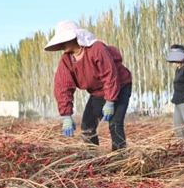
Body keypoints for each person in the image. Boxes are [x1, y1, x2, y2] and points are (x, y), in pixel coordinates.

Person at [44, 20, 133, 151]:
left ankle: (119, 157)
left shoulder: (96, 49)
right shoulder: (66, 60)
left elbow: (110, 74)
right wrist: (66, 115)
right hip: (97, 92)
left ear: (74, 37)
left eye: (64, 40)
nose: (62, 45)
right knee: (87, 126)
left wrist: (110, 101)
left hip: (119, 86)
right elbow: (62, 87)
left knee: (115, 123)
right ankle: (92, 157)